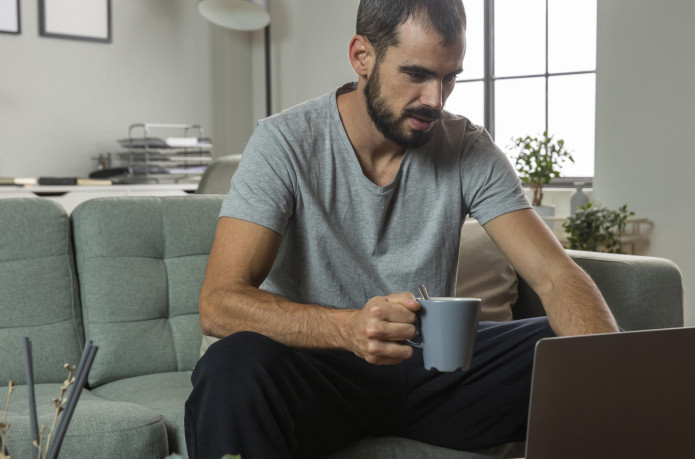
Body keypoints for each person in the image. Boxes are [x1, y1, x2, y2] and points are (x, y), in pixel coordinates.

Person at [184, 0, 619, 457]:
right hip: (322, 374)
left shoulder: (467, 147)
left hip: (434, 373)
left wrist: (617, 370)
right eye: (416, 74)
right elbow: (219, 303)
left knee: (566, 349)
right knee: (234, 365)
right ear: (362, 57)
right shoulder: (284, 142)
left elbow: (554, 274)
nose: (435, 98)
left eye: (449, 77)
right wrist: (348, 328)